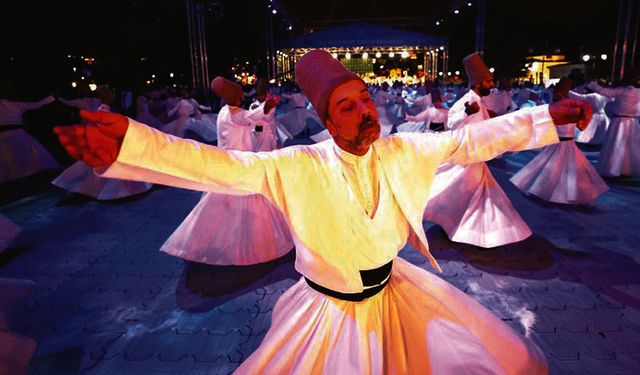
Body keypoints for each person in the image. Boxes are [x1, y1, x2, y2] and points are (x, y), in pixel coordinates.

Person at [54, 49, 590, 374]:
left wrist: (547, 117)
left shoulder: (403, 148)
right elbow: (217, 166)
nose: (364, 112)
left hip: (397, 294)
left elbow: (476, 142)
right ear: (327, 121)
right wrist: (132, 147)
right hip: (332, 314)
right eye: (347, 107)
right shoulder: (298, 165)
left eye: (364, 100)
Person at [159, 77, 293, 265]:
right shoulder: (236, 115)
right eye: (241, 95)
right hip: (239, 164)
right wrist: (266, 107)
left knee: (223, 204)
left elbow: (253, 120)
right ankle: (245, 248)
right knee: (245, 204)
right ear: (237, 98)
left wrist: (264, 109)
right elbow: (254, 118)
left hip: (227, 162)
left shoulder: (223, 112)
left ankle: (217, 242)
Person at [424, 52, 533, 248]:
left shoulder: (479, 102)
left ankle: (476, 232)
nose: (492, 85)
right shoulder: (468, 101)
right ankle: (475, 231)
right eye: (489, 81)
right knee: (466, 196)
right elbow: (452, 122)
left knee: (476, 198)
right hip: (466, 161)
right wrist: (467, 112)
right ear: (478, 83)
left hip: (476, 159)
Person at [511, 77, 609, 204]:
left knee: (559, 167)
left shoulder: (571, 104)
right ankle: (556, 192)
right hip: (561, 140)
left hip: (564, 140)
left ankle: (559, 191)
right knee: (558, 167)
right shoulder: (569, 104)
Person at [587, 70, 640, 177]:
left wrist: (592, 84)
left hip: (619, 121)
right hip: (632, 121)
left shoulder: (622, 90)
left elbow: (604, 91)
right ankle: (629, 168)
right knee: (631, 146)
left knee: (617, 146)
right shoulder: (636, 91)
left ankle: (614, 168)